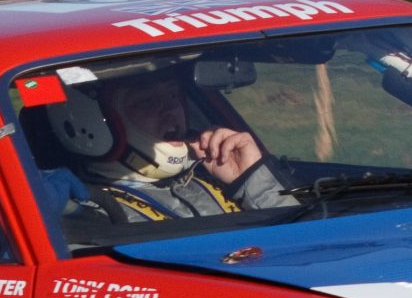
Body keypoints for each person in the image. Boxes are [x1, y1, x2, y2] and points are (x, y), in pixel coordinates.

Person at [60, 66, 289, 223]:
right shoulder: (88, 214)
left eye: (172, 95)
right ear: (93, 123)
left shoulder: (211, 176)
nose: (171, 110)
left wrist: (249, 179)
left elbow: (308, 242)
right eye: (147, 101)